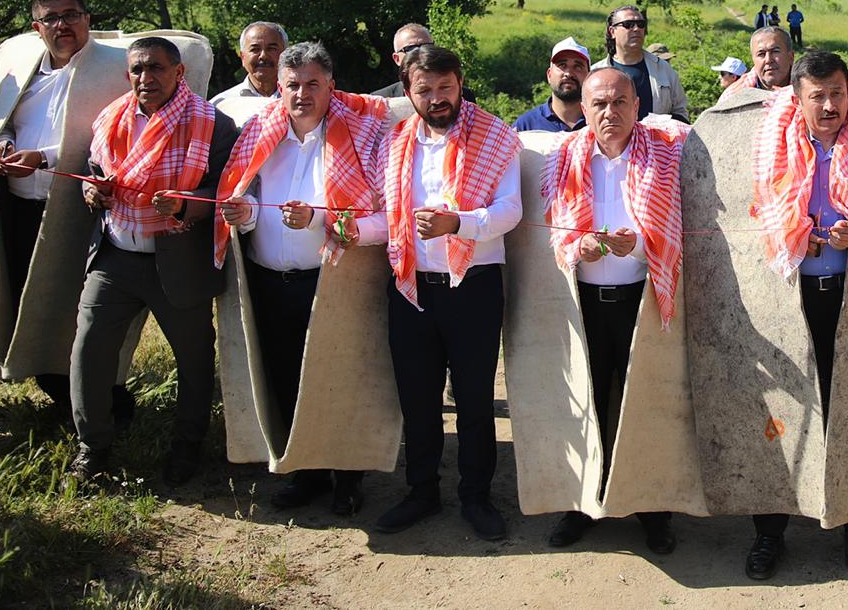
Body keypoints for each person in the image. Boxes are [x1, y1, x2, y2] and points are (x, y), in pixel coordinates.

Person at [216, 41, 391, 516]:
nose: (302, 94)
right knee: (286, 378)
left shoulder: (362, 134)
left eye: (313, 84)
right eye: (293, 85)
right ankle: (308, 473)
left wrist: (317, 217)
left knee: (339, 380)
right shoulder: (257, 130)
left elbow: (379, 206)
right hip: (270, 280)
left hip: (333, 281)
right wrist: (244, 212)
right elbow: (248, 195)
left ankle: (348, 478)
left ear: (331, 85)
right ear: (279, 86)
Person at [746, 50, 848, 580]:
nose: (829, 106)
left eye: (837, 94)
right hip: (788, 296)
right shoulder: (775, 143)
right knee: (782, 413)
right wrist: (795, 237)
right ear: (798, 98)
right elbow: (761, 210)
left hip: (847, 295)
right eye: (817, 96)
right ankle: (769, 534)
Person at [68, 36, 238, 486]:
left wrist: (186, 205)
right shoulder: (110, 117)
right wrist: (93, 190)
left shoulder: (213, 124)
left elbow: (227, 190)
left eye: (156, 69)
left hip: (178, 260)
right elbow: (96, 170)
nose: (146, 78)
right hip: (115, 257)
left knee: (195, 360)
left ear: (179, 73)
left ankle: (187, 447)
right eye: (138, 70)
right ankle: (93, 448)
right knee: (89, 351)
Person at [375, 45, 522, 541]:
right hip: (411, 286)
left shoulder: (495, 135)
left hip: (473, 287)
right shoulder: (395, 142)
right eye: (425, 90)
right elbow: (388, 218)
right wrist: (336, 226)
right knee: (417, 398)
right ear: (408, 91)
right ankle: (421, 491)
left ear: (460, 83)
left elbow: (510, 211)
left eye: (445, 87)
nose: (437, 98)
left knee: (476, 399)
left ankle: (476, 496)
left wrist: (457, 222)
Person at [542, 69, 688, 555]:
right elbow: (551, 228)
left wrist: (638, 245)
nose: (610, 113)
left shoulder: (666, 153)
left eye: (620, 102)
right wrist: (578, 244)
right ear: (583, 109)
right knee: (585, 402)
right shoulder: (564, 155)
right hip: (583, 301)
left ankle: (654, 511)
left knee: (646, 405)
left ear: (636, 103)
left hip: (642, 301)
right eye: (600, 104)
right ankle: (582, 504)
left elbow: (679, 227)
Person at [0, 0, 132, 414]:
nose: (62, 25)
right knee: (28, 305)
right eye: (51, 18)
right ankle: (61, 396)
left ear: (88, 19)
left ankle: (105, 403)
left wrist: (44, 159)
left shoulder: (112, 71)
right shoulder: (25, 73)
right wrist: (6, 143)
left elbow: (115, 142)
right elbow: (7, 121)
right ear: (37, 28)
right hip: (18, 210)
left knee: (77, 310)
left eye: (71, 15)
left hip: (78, 213)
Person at [591, 6, 689, 123]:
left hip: (656, 140)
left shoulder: (663, 69)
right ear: (612, 32)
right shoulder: (595, 74)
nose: (636, 29)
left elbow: (681, 112)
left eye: (641, 24)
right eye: (628, 24)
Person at [514, 38, 590, 134]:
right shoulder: (526, 125)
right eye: (562, 65)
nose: (569, 73)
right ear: (549, 75)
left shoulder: (600, 122)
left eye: (578, 67)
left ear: (589, 77)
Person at [210, 22, 287, 103]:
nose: (263, 56)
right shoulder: (221, 105)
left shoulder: (299, 99)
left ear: (285, 54)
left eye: (271, 49)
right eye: (255, 49)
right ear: (243, 57)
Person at [718, 27, 796, 103]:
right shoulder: (732, 97)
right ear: (753, 60)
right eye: (761, 54)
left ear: (791, 57)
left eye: (775, 51)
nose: (768, 60)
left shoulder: (806, 90)